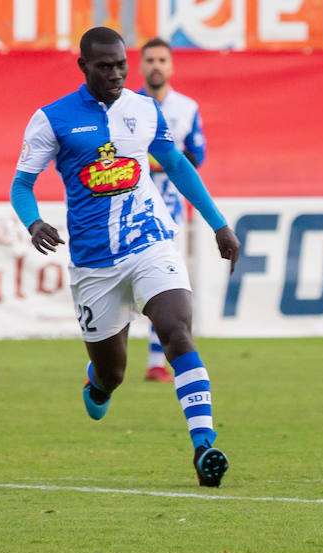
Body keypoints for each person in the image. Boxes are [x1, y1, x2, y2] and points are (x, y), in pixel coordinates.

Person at [9, 26, 241, 488]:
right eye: (105, 66)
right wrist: (34, 222)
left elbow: (176, 165)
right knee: (112, 375)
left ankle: (204, 446)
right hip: (95, 265)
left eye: (121, 65)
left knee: (176, 330)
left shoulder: (144, 110)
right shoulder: (51, 119)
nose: (116, 74)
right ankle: (95, 382)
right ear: (83, 67)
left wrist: (219, 224)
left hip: (150, 242)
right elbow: (22, 185)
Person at [136, 36, 209, 383]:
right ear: (141, 65)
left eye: (161, 60)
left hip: (171, 212)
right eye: (150, 60)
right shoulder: (127, 105)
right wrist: (165, 159)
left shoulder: (187, 108)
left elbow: (197, 157)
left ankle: (156, 361)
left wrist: (162, 161)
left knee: (165, 284)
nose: (156, 66)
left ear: (171, 66)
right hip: (131, 207)